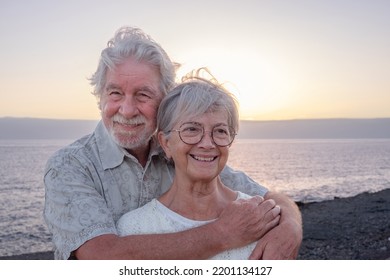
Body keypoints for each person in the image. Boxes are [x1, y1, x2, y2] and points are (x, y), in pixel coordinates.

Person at [43, 26, 302, 260]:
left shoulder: (181, 150)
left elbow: (267, 196)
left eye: (143, 94)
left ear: (165, 99)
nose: (128, 109)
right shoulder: (70, 166)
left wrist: (291, 225)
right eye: (115, 93)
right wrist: (223, 233)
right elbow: (100, 257)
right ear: (100, 97)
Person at [117, 73, 282, 259]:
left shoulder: (260, 219)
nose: (207, 144)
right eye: (192, 129)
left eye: (220, 131)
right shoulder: (134, 228)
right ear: (165, 143)